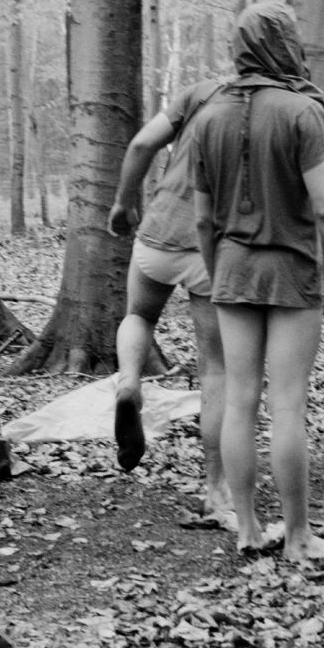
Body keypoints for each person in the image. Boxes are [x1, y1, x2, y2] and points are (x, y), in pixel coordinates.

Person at [189, 1, 324, 560]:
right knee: (287, 405)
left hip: (233, 269)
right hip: (291, 273)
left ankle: (246, 531)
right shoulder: (301, 112)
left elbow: (201, 218)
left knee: (239, 401)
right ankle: (300, 538)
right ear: (283, 43)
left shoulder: (208, 116)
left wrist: (219, 274)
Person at [107, 78, 233, 526]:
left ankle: (128, 382)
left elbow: (142, 143)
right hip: (210, 246)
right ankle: (217, 488)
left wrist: (124, 203)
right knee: (215, 369)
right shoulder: (268, 106)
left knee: (139, 315)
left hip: (158, 234)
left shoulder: (201, 92)